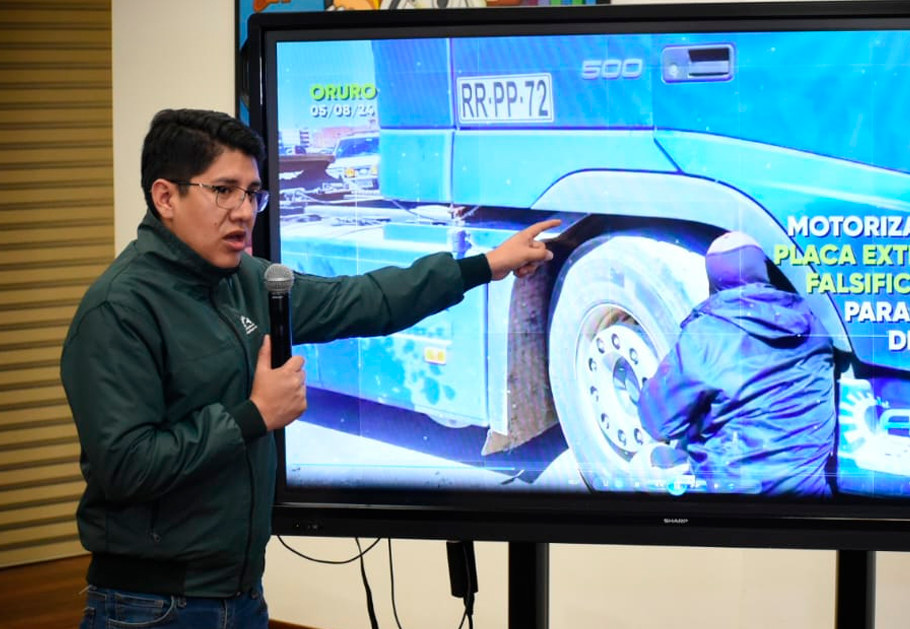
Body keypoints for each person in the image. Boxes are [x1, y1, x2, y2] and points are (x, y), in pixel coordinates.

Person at [60, 108, 558, 628]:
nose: (244, 211)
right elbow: (126, 466)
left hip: (240, 596)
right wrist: (254, 415)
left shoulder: (246, 280)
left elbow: (361, 299)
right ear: (166, 197)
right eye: (224, 191)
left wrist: (484, 265)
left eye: (252, 193)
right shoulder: (119, 310)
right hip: (153, 607)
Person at [636, 231, 837, 497]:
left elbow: (656, 422)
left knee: (645, 462)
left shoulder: (706, 335)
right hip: (811, 498)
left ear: (713, 280)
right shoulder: (812, 321)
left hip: (738, 504)